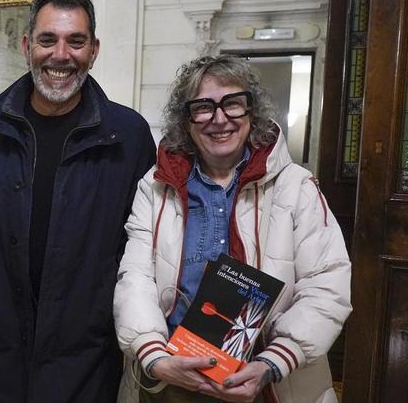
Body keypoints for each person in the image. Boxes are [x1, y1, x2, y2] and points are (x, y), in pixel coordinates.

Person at [113, 56, 351, 403]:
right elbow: (135, 279)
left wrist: (272, 363)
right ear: (187, 118)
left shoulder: (296, 188)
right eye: (204, 106)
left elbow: (327, 284)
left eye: (233, 104)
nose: (219, 118)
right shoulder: (156, 187)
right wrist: (154, 357)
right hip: (172, 379)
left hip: (268, 383)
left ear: (251, 111)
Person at [0, 0, 157, 402]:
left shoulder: (129, 135)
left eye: (76, 41)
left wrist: (104, 299)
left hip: (85, 349)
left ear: (94, 50)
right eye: (48, 40)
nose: (61, 55)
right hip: (1, 342)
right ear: (27, 45)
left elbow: (144, 236)